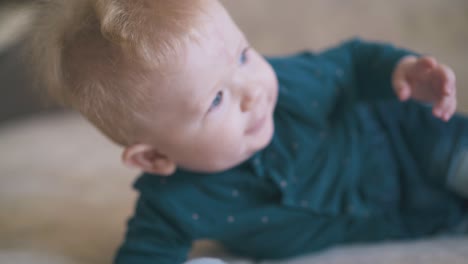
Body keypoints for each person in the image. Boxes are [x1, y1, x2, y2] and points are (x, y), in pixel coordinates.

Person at [29, 0, 468, 263]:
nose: (252, 90)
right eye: (215, 100)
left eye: (243, 56)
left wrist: (401, 69)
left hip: (414, 145)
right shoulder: (175, 204)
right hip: (416, 218)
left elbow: (353, 62)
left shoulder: (295, 87)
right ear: (153, 158)